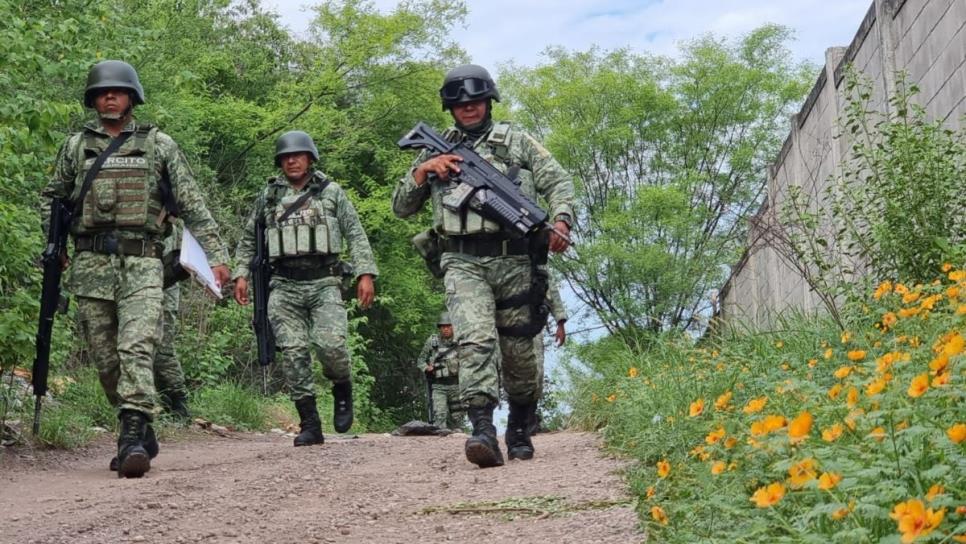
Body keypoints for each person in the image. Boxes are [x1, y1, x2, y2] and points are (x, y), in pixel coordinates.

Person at [43, 60, 230, 478]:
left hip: (143, 263)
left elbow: (193, 204)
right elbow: (52, 199)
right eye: (102, 92)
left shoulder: (160, 145)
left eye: (117, 91)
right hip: (90, 263)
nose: (109, 97)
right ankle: (140, 424)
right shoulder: (74, 146)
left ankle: (130, 436)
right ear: (93, 100)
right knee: (107, 359)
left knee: (137, 347)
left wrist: (218, 257)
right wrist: (53, 245)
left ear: (131, 97)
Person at [392, 64, 575, 468]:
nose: (468, 109)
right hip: (461, 259)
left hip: (515, 260)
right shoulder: (435, 149)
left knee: (520, 356)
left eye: (475, 101)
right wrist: (423, 172)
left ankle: (520, 427)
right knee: (474, 340)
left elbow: (559, 182)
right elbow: (401, 207)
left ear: (488, 101)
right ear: (449, 109)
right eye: (460, 104)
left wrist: (560, 220)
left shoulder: (517, 142)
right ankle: (482, 430)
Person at [233, 130, 377, 447]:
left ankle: (342, 384)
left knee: (331, 345)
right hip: (283, 284)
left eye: (298, 155)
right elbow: (248, 238)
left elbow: (355, 233)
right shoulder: (269, 196)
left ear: (310, 159)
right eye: (286, 157)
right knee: (294, 353)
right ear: (280, 162)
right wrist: (240, 272)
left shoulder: (331, 192)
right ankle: (310, 424)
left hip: (325, 281)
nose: (292, 160)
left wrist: (365, 273)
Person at [153, 229, 190, 420]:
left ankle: (178, 402)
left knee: (162, 347)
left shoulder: (171, 211)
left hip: (166, 281)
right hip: (137, 278)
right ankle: (162, 403)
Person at [528, 278, 567, 436]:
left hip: (531, 326)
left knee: (536, 372)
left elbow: (550, 288)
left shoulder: (535, 260)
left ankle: (529, 419)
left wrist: (560, 323)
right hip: (502, 326)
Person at [417, 311, 465, 430]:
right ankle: (439, 443)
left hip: (456, 386)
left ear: (453, 327)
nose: (446, 329)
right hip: (439, 386)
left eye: (448, 326)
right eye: (443, 326)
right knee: (439, 418)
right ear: (440, 328)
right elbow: (420, 360)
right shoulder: (433, 342)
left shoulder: (460, 341)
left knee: (457, 419)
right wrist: (427, 368)